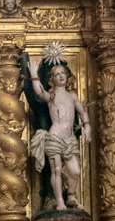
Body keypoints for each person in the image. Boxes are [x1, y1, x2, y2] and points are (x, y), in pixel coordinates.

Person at [27, 58, 91, 211]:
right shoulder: (52, 96)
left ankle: (70, 196)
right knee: (56, 170)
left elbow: (82, 112)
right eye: (57, 74)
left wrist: (87, 126)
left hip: (69, 139)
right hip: (54, 137)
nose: (61, 76)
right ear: (52, 79)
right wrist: (34, 74)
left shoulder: (72, 96)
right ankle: (59, 201)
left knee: (75, 171)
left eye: (63, 73)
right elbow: (39, 91)